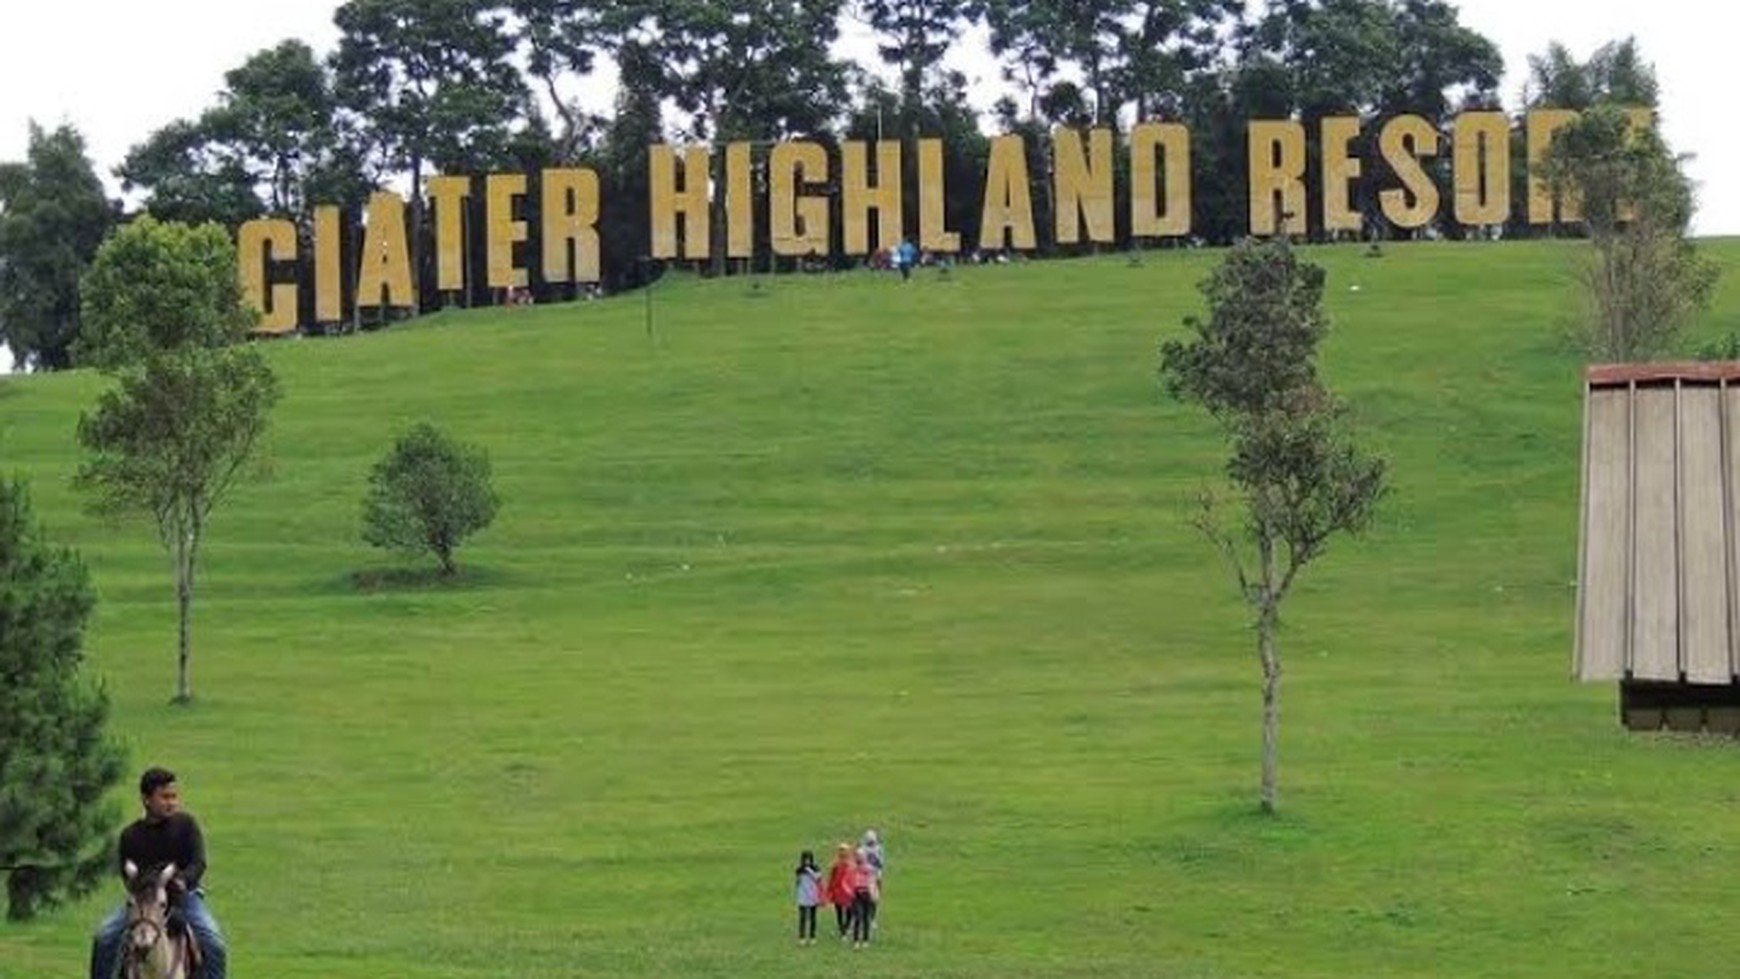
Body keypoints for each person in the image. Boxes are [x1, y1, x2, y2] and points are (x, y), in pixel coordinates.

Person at [90, 768, 228, 979]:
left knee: (213, 942)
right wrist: (146, 890)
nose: (171, 802)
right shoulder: (130, 836)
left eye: (174, 797)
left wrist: (181, 881)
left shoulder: (186, 825)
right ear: (146, 799)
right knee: (105, 937)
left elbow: (198, 863)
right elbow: (128, 876)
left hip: (185, 897)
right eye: (164, 797)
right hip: (145, 901)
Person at [824, 842, 857, 940]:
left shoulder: (851, 864)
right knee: (839, 911)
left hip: (848, 891)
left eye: (844, 850)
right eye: (841, 850)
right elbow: (831, 878)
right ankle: (842, 929)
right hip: (838, 890)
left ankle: (846, 928)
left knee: (849, 911)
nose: (843, 852)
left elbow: (853, 878)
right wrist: (829, 890)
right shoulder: (835, 864)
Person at [792, 850, 823, 946]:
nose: (807, 861)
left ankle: (812, 936)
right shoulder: (799, 870)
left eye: (809, 859)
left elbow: (818, 878)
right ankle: (802, 937)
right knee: (802, 917)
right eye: (805, 859)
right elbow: (797, 882)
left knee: (813, 917)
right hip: (803, 895)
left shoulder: (816, 868)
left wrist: (809, 870)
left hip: (813, 895)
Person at [849, 851, 879, 948]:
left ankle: (866, 939)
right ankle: (856, 940)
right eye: (857, 856)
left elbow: (873, 881)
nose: (859, 858)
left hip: (866, 894)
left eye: (861, 856)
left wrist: (874, 893)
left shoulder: (869, 869)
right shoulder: (852, 869)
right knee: (858, 917)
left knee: (866, 918)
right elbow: (848, 881)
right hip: (856, 895)